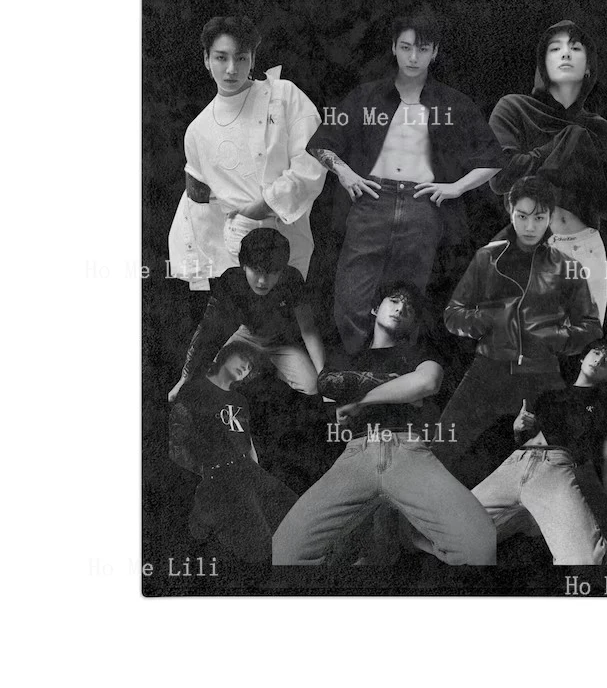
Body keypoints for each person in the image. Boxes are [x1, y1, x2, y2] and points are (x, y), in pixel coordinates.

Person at [305, 12, 505, 353]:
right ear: (393, 48)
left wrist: (456, 187)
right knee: (351, 298)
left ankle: (395, 371)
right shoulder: (367, 96)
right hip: (372, 199)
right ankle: (359, 366)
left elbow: (493, 157)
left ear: (434, 52)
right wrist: (345, 172)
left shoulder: (453, 102)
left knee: (407, 302)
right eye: (406, 47)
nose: (413, 57)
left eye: (422, 49)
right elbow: (321, 142)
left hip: (422, 206)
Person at [272, 281, 497, 566]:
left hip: (407, 452)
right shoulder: (346, 358)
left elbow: (427, 381)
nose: (401, 308)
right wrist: (398, 386)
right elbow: (330, 390)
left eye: (409, 307)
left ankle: (409, 537)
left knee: (480, 544)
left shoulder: (418, 353)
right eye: (394, 300)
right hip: (356, 455)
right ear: (375, 308)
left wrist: (361, 401)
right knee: (286, 551)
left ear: (413, 322)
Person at [439, 176, 602, 485]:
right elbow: (452, 314)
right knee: (440, 451)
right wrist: (488, 319)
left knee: (557, 469)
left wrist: (555, 337)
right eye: (522, 216)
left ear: (550, 216)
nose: (530, 226)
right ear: (509, 210)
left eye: (539, 217)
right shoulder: (487, 258)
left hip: (541, 377)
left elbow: (591, 328)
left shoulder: (568, 267)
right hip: (487, 370)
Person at [168, 15, 326, 290]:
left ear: (252, 59)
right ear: (206, 59)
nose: (231, 69)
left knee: (289, 310)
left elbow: (312, 159)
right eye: (221, 58)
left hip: (288, 236)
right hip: (236, 251)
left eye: (241, 58)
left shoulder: (283, 96)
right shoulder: (198, 130)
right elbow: (199, 207)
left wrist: (267, 203)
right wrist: (199, 273)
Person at [488, 20, 607, 324]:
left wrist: (585, 164)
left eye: (575, 47)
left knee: (584, 346)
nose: (565, 53)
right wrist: (562, 146)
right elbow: (500, 177)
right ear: (542, 63)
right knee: (526, 349)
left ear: (588, 67)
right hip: (531, 249)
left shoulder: (602, 130)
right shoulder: (513, 108)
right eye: (555, 48)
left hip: (586, 249)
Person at [471, 341, 607, 565]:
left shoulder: (606, 405)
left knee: (587, 557)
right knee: (449, 528)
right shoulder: (550, 397)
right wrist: (517, 428)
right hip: (517, 461)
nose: (599, 359)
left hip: (554, 468)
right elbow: (527, 436)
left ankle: (528, 517)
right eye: (596, 352)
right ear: (583, 358)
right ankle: (523, 517)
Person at [168, 341, 298, 562]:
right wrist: (205, 478)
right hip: (218, 474)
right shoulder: (194, 389)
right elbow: (177, 442)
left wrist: (256, 474)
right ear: (225, 355)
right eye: (243, 359)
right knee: (260, 544)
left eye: (250, 366)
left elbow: (246, 440)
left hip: (247, 469)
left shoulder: (239, 400)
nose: (245, 367)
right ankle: (204, 512)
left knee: (295, 511)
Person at [167, 228, 325, 402]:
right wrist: (184, 378)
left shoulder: (292, 278)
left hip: (280, 341)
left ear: (282, 270)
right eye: (256, 270)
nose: (263, 281)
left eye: (272, 273)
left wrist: (324, 377)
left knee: (312, 385)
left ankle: (267, 369)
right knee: (213, 378)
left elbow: (308, 329)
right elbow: (206, 329)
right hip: (245, 337)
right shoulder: (231, 279)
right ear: (244, 265)